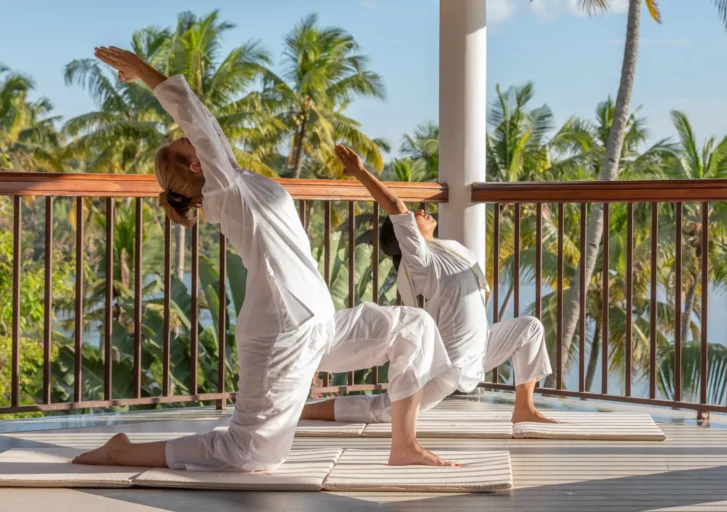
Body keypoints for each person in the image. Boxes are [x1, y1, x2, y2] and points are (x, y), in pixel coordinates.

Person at [73, 46, 459, 471]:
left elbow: (207, 125)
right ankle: (123, 452)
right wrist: (145, 72)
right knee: (251, 454)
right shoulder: (226, 190)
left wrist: (149, 78)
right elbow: (194, 117)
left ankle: (404, 446)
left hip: (319, 323)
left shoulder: (237, 179)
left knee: (413, 328)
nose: (194, 136)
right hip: (282, 332)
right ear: (197, 165)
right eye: (187, 142)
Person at [302, 145, 555, 425]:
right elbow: (396, 207)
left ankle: (524, 408)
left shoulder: (451, 248)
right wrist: (361, 172)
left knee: (530, 328)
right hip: (450, 363)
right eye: (415, 216)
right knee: (386, 410)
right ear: (405, 235)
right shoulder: (421, 261)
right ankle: (302, 411)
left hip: (481, 347)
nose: (422, 211)